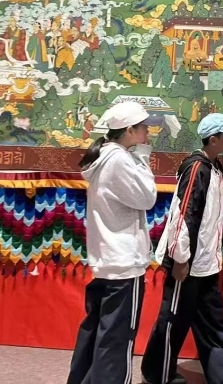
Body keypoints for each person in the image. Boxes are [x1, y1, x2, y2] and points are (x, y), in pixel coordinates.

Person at [141, 113, 223, 384]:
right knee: (173, 319)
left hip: (205, 263)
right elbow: (184, 213)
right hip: (186, 263)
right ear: (213, 139)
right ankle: (157, 375)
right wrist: (180, 258)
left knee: (212, 319)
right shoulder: (197, 169)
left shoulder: (214, 167)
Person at [67, 101, 161, 384]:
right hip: (124, 263)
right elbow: (147, 197)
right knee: (117, 339)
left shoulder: (106, 156)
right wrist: (143, 158)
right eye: (144, 128)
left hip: (108, 259)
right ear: (129, 130)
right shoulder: (119, 159)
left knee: (98, 332)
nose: (148, 132)